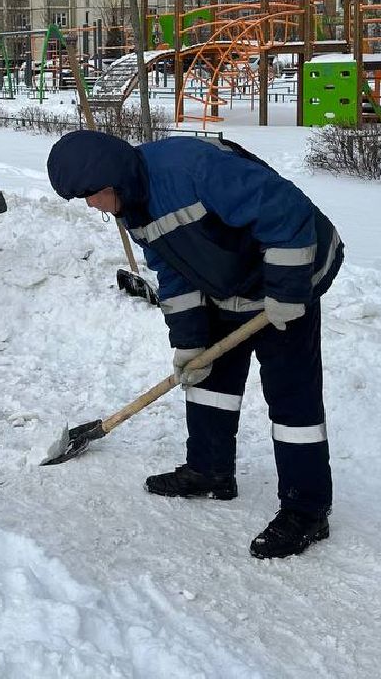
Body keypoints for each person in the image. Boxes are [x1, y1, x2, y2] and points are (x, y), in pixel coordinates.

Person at [46, 129, 344, 560]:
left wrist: (286, 291)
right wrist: (188, 341)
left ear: (111, 179)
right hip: (227, 283)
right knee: (208, 380)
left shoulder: (194, 168)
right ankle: (210, 471)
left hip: (293, 273)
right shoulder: (132, 205)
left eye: (90, 195)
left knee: (292, 399)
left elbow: (286, 214)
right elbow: (174, 270)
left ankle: (307, 508)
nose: (91, 205)